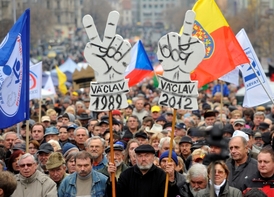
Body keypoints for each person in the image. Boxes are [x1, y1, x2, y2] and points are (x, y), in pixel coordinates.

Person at [107, 144, 179, 197]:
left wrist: (171, 177)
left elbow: (171, 194)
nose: (143, 159)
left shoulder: (161, 175)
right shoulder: (126, 174)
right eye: (140, 156)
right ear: (136, 157)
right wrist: (111, 177)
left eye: (147, 156)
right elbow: (116, 194)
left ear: (153, 157)